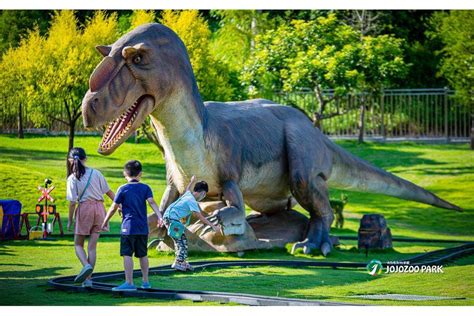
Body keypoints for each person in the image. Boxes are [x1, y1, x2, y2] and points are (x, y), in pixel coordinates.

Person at [101, 160, 163, 291]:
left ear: (125, 174)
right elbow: (151, 202)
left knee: (127, 254)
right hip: (142, 228)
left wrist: (105, 221)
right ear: (140, 174)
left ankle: (129, 283)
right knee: (143, 254)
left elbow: (113, 207)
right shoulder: (146, 188)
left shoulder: (123, 189)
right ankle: (146, 282)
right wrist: (160, 216)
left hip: (128, 228)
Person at [66, 147, 115, 287]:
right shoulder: (96, 173)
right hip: (100, 209)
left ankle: (86, 265)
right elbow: (109, 193)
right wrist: (120, 206)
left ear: (70, 161)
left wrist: (70, 220)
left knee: (78, 244)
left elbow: (72, 202)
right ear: (85, 159)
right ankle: (88, 280)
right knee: (92, 248)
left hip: (85, 209)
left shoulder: (72, 178)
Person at [163, 175, 221, 271]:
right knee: (181, 242)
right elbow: (200, 216)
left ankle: (182, 262)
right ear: (202, 193)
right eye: (204, 194)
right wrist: (213, 226)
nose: (203, 197)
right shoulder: (191, 200)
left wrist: (192, 181)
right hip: (171, 219)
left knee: (182, 241)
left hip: (170, 218)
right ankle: (178, 262)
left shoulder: (188, 195)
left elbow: (187, 189)